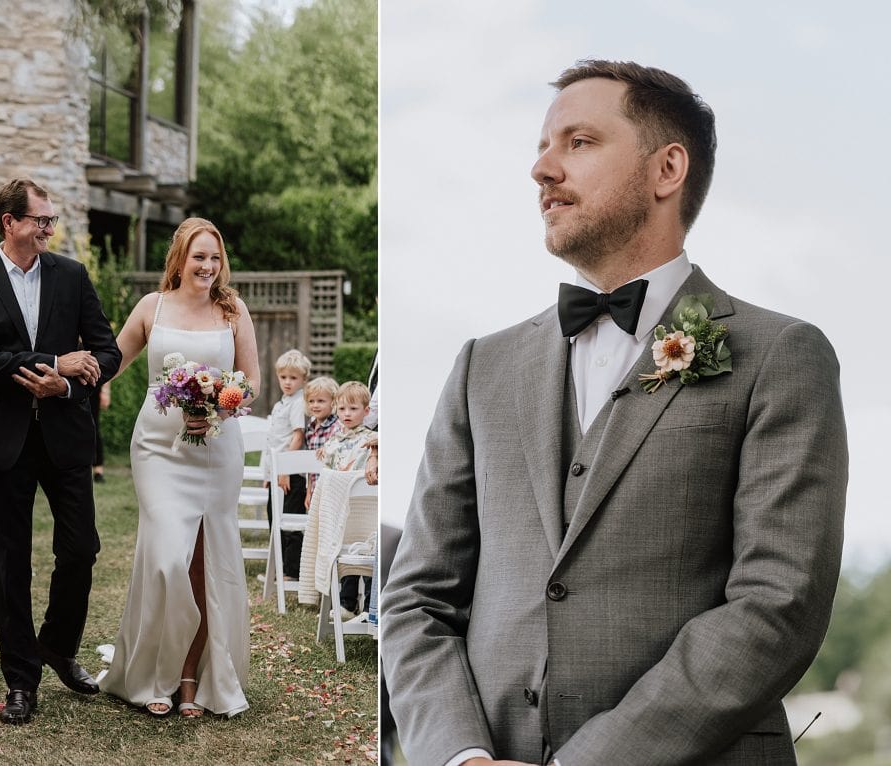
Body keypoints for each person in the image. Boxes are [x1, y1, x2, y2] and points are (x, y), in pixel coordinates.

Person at [381, 60, 849, 766]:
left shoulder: (780, 355)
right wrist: (460, 756)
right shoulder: (484, 366)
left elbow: (778, 606)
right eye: (542, 146)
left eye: (578, 142)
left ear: (667, 170)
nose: (542, 169)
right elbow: (417, 599)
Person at [0, 178, 122, 725]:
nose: (50, 228)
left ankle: (56, 644)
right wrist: (54, 360)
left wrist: (68, 384)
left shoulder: (71, 274)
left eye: (51, 220)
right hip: (4, 441)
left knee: (81, 549)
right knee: (11, 564)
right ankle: (21, 681)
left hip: (65, 434)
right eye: (41, 219)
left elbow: (107, 351)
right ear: (10, 223)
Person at [99, 217, 261, 718]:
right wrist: (86, 384)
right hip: (158, 449)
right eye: (199, 257)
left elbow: (251, 381)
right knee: (168, 557)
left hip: (216, 450)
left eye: (215, 257)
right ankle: (152, 671)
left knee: (204, 564)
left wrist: (221, 403)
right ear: (180, 258)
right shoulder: (153, 307)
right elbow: (113, 359)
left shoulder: (233, 310)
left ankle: (189, 678)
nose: (208, 267)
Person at [317, 381, 375, 618]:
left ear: (366, 411)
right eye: (342, 409)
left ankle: (372, 605)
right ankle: (347, 603)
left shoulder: (372, 440)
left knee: (369, 553)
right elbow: (327, 475)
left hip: (366, 507)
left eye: (353, 409)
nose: (347, 414)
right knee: (347, 552)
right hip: (342, 507)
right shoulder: (333, 441)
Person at [261, 348, 310, 581]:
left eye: (294, 378)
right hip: (277, 471)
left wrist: (286, 470)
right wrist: (269, 473)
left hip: (291, 473)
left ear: (303, 379)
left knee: (290, 522)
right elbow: (273, 439)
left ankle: (292, 570)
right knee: (274, 518)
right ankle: (279, 568)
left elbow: (297, 436)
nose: (288, 382)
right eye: (284, 377)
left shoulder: (298, 403)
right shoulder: (282, 403)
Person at [303, 375, 341, 507]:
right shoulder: (310, 426)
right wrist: (308, 492)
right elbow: (309, 464)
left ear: (333, 402)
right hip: (314, 487)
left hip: (331, 490)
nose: (315, 405)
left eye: (320, 401)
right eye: (311, 401)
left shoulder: (337, 427)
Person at [90, 382, 110, 482]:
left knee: (93, 425)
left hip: (93, 384)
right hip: (70, 383)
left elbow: (105, 367)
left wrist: (105, 391)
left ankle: (98, 470)